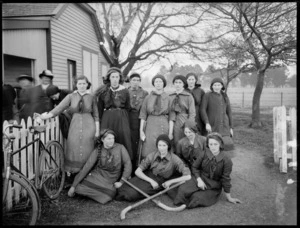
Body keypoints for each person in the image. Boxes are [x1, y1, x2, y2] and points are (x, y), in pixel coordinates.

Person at [39, 75, 99, 174]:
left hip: (89, 126)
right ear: (76, 85)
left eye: (84, 83)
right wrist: (46, 116)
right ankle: (73, 172)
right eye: (80, 83)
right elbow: (59, 108)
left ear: (87, 84)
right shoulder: (71, 96)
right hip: (74, 125)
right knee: (73, 146)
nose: (82, 86)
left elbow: (96, 115)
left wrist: (97, 131)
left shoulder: (92, 97)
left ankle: (88, 171)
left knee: (88, 148)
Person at [172, 132, 241, 208]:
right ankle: (182, 198)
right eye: (211, 144)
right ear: (208, 144)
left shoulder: (226, 160)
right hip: (200, 178)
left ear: (220, 144)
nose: (213, 147)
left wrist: (229, 197)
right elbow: (194, 167)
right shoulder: (204, 153)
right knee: (183, 190)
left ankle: (191, 199)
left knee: (197, 198)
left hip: (213, 185)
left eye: (215, 144)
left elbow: (226, 179)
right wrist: (199, 180)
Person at [115, 134, 191, 202]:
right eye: (159, 145)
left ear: (168, 146)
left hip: (159, 182)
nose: (161, 148)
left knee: (131, 194)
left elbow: (188, 176)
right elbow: (137, 171)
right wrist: (151, 181)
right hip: (148, 176)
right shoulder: (152, 155)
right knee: (124, 187)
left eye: (164, 145)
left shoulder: (175, 159)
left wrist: (170, 182)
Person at [67, 129, 132, 204]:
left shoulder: (120, 148)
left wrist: (121, 182)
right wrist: (73, 186)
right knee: (78, 188)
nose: (112, 141)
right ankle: (96, 194)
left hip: (110, 179)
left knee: (109, 195)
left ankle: (94, 194)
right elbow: (87, 167)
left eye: (113, 138)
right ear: (102, 139)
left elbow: (128, 164)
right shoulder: (98, 149)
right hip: (97, 176)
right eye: (109, 139)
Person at [94, 67, 133, 164]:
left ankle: (124, 165)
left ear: (120, 78)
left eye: (117, 77)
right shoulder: (103, 91)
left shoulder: (125, 91)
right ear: (109, 78)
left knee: (123, 139)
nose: (115, 79)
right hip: (108, 119)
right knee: (107, 138)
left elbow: (128, 107)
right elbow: (99, 109)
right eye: (113, 77)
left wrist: (121, 116)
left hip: (121, 118)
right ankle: (107, 164)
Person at [139, 74, 173, 161]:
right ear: (153, 83)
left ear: (163, 84)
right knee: (149, 145)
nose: (158, 83)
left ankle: (162, 166)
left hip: (163, 123)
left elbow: (171, 117)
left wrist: (170, 133)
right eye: (156, 82)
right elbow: (143, 115)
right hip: (150, 124)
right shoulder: (148, 97)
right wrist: (141, 131)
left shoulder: (168, 98)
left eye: (160, 81)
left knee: (162, 144)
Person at [200, 77, 234, 150]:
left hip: (224, 125)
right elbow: (202, 110)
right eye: (215, 85)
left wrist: (231, 127)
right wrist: (206, 123)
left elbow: (229, 112)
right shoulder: (207, 95)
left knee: (225, 146)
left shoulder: (225, 96)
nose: (217, 87)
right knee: (211, 145)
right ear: (212, 86)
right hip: (212, 124)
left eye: (218, 85)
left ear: (222, 86)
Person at [127, 73, 149, 170]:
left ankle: (137, 166)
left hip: (139, 119)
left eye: (137, 80)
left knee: (137, 143)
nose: (135, 82)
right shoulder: (125, 91)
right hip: (127, 118)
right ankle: (128, 166)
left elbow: (145, 109)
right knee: (128, 142)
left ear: (140, 81)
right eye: (133, 80)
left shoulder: (144, 93)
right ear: (130, 81)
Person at [169, 75, 196, 145]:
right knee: (173, 142)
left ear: (183, 84)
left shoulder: (188, 96)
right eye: (176, 82)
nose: (178, 84)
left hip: (184, 121)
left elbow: (192, 113)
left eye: (180, 82)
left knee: (184, 142)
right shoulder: (170, 96)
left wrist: (188, 126)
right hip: (172, 121)